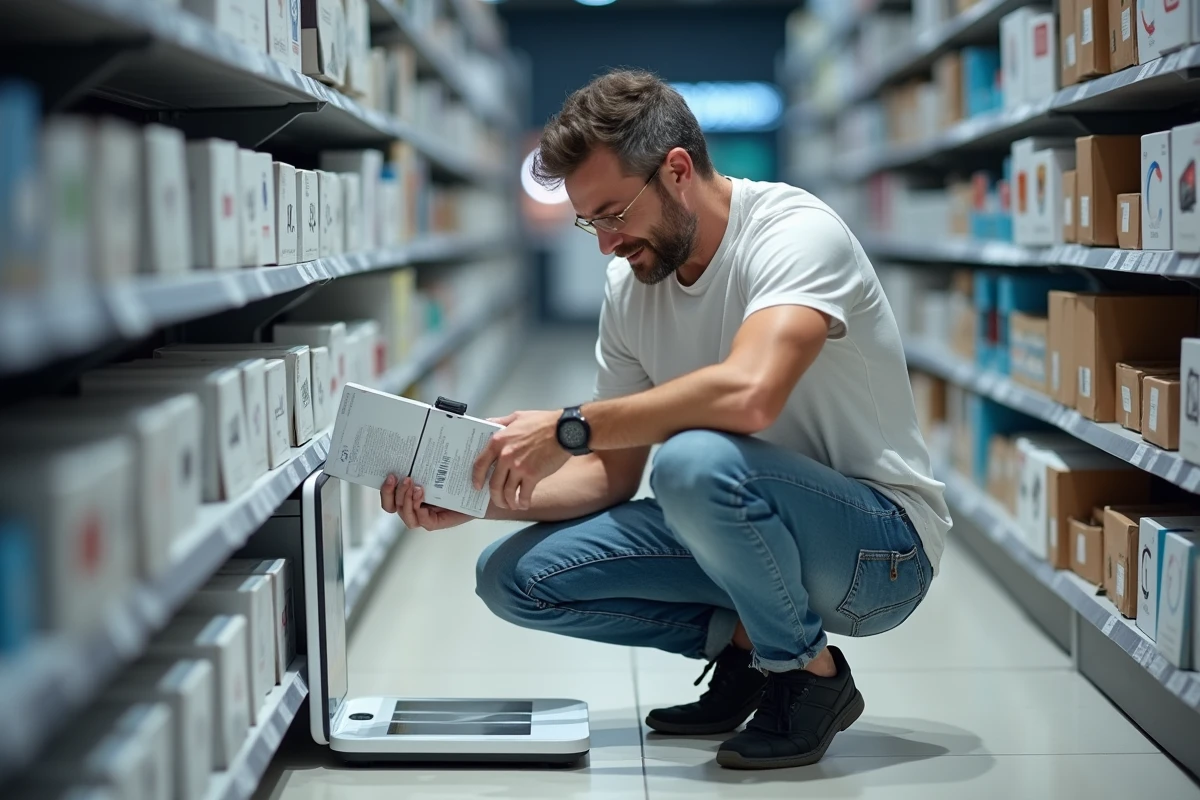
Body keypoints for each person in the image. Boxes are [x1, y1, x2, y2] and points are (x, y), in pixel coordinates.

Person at [379, 68, 952, 771]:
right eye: (590, 222)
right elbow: (610, 477)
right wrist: (477, 493)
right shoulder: (631, 290)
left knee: (690, 460)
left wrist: (566, 427)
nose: (605, 243)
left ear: (677, 171)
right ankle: (749, 650)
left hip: (879, 554)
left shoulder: (795, 234)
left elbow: (751, 395)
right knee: (512, 576)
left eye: (614, 214)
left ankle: (807, 674)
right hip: (745, 527)